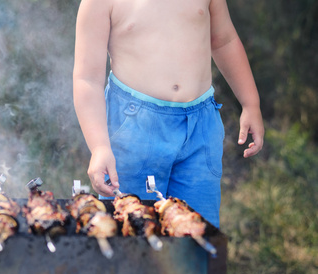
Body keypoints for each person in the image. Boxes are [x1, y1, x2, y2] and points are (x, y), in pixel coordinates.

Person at [72, 0, 264, 227]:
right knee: (132, 227)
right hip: (134, 133)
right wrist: (100, 147)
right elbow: (88, 79)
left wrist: (251, 103)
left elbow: (224, 40)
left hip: (200, 131)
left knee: (197, 228)